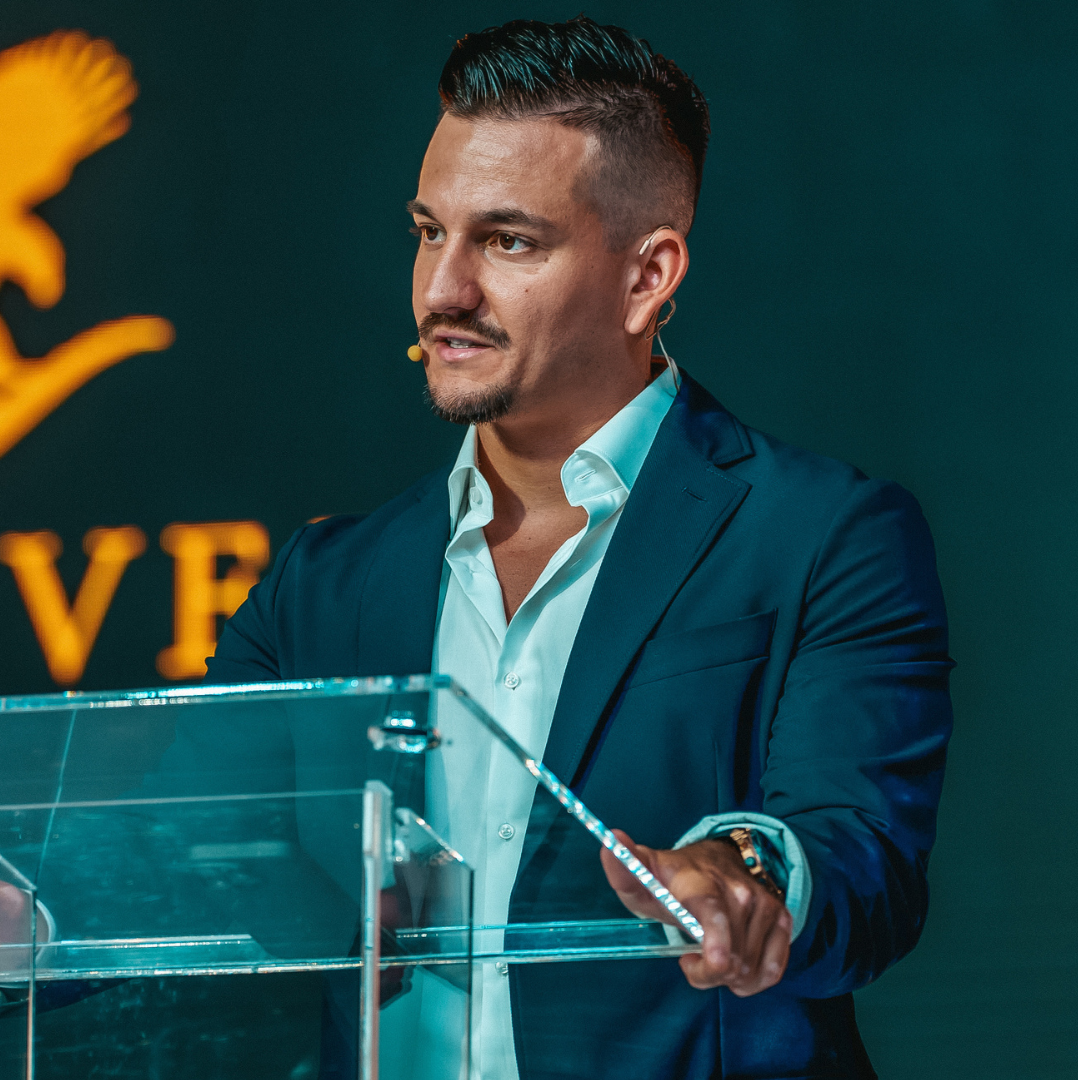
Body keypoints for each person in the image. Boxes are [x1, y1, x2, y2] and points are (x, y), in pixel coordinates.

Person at [207, 15, 953, 1080]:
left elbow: (860, 857)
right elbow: (174, 852)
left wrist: (743, 876)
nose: (442, 291)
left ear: (648, 277)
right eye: (429, 231)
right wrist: (31, 914)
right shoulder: (319, 584)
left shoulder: (825, 535)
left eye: (507, 241)